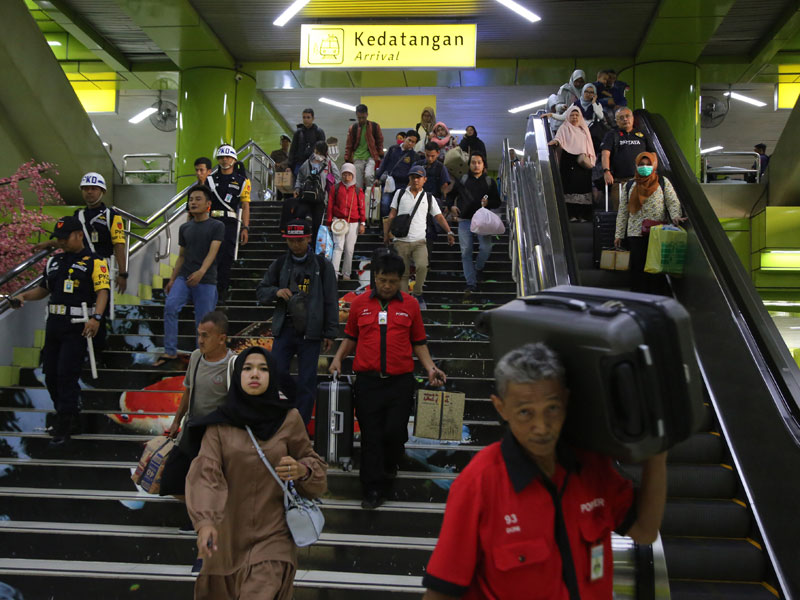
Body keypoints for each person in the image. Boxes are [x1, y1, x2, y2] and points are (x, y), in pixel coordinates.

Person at [422, 343, 668, 600]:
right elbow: (440, 593)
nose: (541, 427)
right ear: (500, 407)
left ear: (566, 400)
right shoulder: (479, 483)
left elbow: (645, 531)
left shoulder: (591, 466)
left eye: (552, 408)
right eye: (525, 412)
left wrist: (658, 453)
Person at [186, 346, 327, 599]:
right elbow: (206, 475)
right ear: (237, 375)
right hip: (227, 539)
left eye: (263, 369)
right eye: (247, 368)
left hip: (273, 536)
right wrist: (205, 521)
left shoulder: (289, 419)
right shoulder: (220, 424)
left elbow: (311, 462)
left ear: (272, 375)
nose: (255, 374)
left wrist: (302, 470)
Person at [328, 251, 447, 509]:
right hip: (368, 382)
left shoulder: (410, 305)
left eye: (392, 281)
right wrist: (337, 358)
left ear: (400, 280)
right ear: (375, 277)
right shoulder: (359, 304)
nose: (387, 286)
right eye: (382, 280)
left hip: (400, 383)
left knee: (394, 431)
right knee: (371, 436)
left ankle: (390, 465)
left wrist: (430, 368)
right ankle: (372, 489)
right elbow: (350, 337)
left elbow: (419, 342)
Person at [11, 216, 110, 446]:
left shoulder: (95, 261)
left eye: (66, 238)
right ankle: (69, 414)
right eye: (59, 238)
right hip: (54, 323)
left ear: (79, 235)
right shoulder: (54, 262)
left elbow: (103, 291)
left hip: (77, 325)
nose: (62, 242)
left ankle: (65, 423)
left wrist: (96, 317)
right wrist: (23, 296)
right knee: (50, 374)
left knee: (67, 373)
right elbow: (44, 289)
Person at [32, 172, 127, 355]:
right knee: (79, 304)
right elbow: (69, 240)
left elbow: (119, 244)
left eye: (93, 188)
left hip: (101, 266)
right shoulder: (78, 215)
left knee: (100, 308)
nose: (89, 192)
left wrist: (123, 273)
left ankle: (97, 352)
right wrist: (49, 243)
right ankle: (78, 348)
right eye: (86, 189)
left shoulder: (112, 216)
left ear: (102, 191)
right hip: (79, 267)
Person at [255, 219, 338, 424]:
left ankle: (300, 425)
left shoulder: (322, 266)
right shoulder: (280, 264)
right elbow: (261, 291)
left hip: (311, 331)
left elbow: (331, 300)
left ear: (309, 239)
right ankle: (292, 406)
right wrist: (276, 292)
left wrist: (330, 332)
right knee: (276, 372)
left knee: (307, 380)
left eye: (300, 240)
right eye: (291, 240)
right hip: (284, 328)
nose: (295, 244)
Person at [161, 311, 236, 497]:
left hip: (215, 436)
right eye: (199, 335)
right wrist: (176, 421)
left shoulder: (233, 364)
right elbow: (188, 391)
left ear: (221, 339)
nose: (200, 340)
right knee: (170, 480)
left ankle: (203, 512)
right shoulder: (195, 357)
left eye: (205, 336)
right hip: (190, 429)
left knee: (208, 485)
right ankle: (195, 511)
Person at [156, 186, 225, 367]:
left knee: (204, 320)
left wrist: (201, 272)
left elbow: (213, 252)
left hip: (206, 279)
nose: (193, 202)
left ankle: (201, 356)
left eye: (197, 199)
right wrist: (172, 279)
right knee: (170, 306)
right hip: (184, 277)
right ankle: (170, 351)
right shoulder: (185, 227)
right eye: (191, 199)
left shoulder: (217, 226)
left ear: (208, 204)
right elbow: (181, 256)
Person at [384, 165, 455, 308]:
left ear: (425, 180)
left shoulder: (428, 197)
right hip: (401, 241)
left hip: (420, 241)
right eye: (413, 177)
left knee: (422, 266)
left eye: (418, 177)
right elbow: (392, 214)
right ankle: (404, 301)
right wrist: (386, 234)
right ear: (409, 178)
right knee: (403, 273)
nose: (415, 180)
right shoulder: (400, 193)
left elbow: (439, 216)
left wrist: (449, 231)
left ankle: (417, 293)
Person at [614, 152, 684, 294]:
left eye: (648, 164)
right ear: (636, 165)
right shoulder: (629, 185)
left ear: (654, 165)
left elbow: (672, 202)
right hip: (635, 233)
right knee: (638, 268)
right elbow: (623, 212)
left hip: (657, 233)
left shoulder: (662, 182)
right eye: (641, 164)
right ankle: (639, 297)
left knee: (656, 267)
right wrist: (618, 234)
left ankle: (656, 297)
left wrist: (676, 216)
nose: (644, 167)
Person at [448, 153, 502, 293]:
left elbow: (497, 202)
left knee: (486, 247)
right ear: (469, 164)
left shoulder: (489, 182)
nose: (476, 165)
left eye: (479, 162)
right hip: (465, 220)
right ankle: (470, 283)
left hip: (483, 222)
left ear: (483, 165)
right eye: (473, 162)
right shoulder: (463, 179)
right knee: (466, 251)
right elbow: (451, 195)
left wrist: (488, 203)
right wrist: (451, 206)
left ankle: (478, 267)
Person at [207, 145, 251, 299]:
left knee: (226, 258)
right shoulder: (210, 180)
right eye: (221, 157)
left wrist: (245, 227)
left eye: (228, 157)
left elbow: (245, 205)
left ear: (234, 159)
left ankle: (222, 292)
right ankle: (209, 291)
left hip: (230, 223)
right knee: (210, 258)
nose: (224, 160)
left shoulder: (242, 181)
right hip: (211, 221)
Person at [600, 107, 655, 210]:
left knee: (642, 212)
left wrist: (653, 170)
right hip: (619, 182)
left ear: (632, 118)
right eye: (621, 118)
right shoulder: (612, 135)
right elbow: (605, 154)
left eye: (627, 116)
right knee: (620, 213)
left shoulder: (642, 135)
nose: (625, 119)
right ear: (616, 121)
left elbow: (652, 154)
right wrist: (606, 171)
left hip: (641, 181)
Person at [548, 105, 596, 222]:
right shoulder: (564, 128)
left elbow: (589, 144)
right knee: (570, 188)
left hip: (582, 164)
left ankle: (583, 215)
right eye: (572, 115)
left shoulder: (583, 129)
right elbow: (559, 138)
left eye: (576, 115)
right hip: (569, 162)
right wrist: (554, 141)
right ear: (568, 116)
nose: (574, 117)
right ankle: (571, 215)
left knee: (583, 188)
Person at [293, 140, 340, 242]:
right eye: (316, 151)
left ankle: (314, 246)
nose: (317, 154)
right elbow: (300, 176)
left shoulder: (329, 164)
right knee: (301, 217)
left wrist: (333, 192)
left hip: (321, 199)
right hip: (306, 197)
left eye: (319, 152)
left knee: (317, 225)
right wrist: (297, 188)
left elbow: (337, 179)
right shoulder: (308, 163)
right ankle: (302, 242)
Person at [325, 163, 365, 280]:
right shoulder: (335, 188)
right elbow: (330, 206)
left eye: (349, 174)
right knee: (338, 247)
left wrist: (362, 223)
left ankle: (346, 273)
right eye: (344, 174)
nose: (346, 177)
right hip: (338, 221)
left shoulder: (358, 190)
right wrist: (329, 222)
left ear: (353, 175)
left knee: (349, 249)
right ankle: (334, 273)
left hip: (353, 222)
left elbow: (362, 207)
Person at [415, 142, 454, 261]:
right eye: (427, 155)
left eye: (432, 156)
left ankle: (426, 261)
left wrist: (446, 203)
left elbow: (444, 187)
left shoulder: (441, 168)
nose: (430, 158)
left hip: (433, 202)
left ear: (438, 153)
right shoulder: (418, 165)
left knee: (429, 231)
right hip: (417, 201)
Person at [376, 130, 419, 217]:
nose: (410, 143)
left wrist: (409, 186)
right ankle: (385, 224)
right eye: (409, 140)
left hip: (403, 185)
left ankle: (395, 224)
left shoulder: (414, 156)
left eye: (413, 142)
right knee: (385, 204)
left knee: (399, 207)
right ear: (405, 138)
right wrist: (377, 177)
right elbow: (384, 163)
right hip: (389, 182)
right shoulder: (393, 149)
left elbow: (412, 172)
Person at [344, 104, 384, 191]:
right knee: (358, 183)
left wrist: (380, 154)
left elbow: (379, 141)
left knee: (369, 176)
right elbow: (349, 145)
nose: (361, 120)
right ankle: (360, 198)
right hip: (357, 157)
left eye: (363, 117)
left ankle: (370, 196)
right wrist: (347, 158)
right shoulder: (353, 128)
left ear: (367, 114)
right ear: (356, 115)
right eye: (359, 118)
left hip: (371, 156)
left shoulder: (375, 126)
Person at [288, 108, 326, 174]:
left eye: (308, 117)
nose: (306, 120)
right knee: (299, 180)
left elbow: (323, 150)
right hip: (299, 164)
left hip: (314, 165)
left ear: (313, 118)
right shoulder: (298, 133)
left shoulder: (319, 132)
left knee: (313, 179)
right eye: (304, 117)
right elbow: (292, 150)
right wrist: (289, 166)